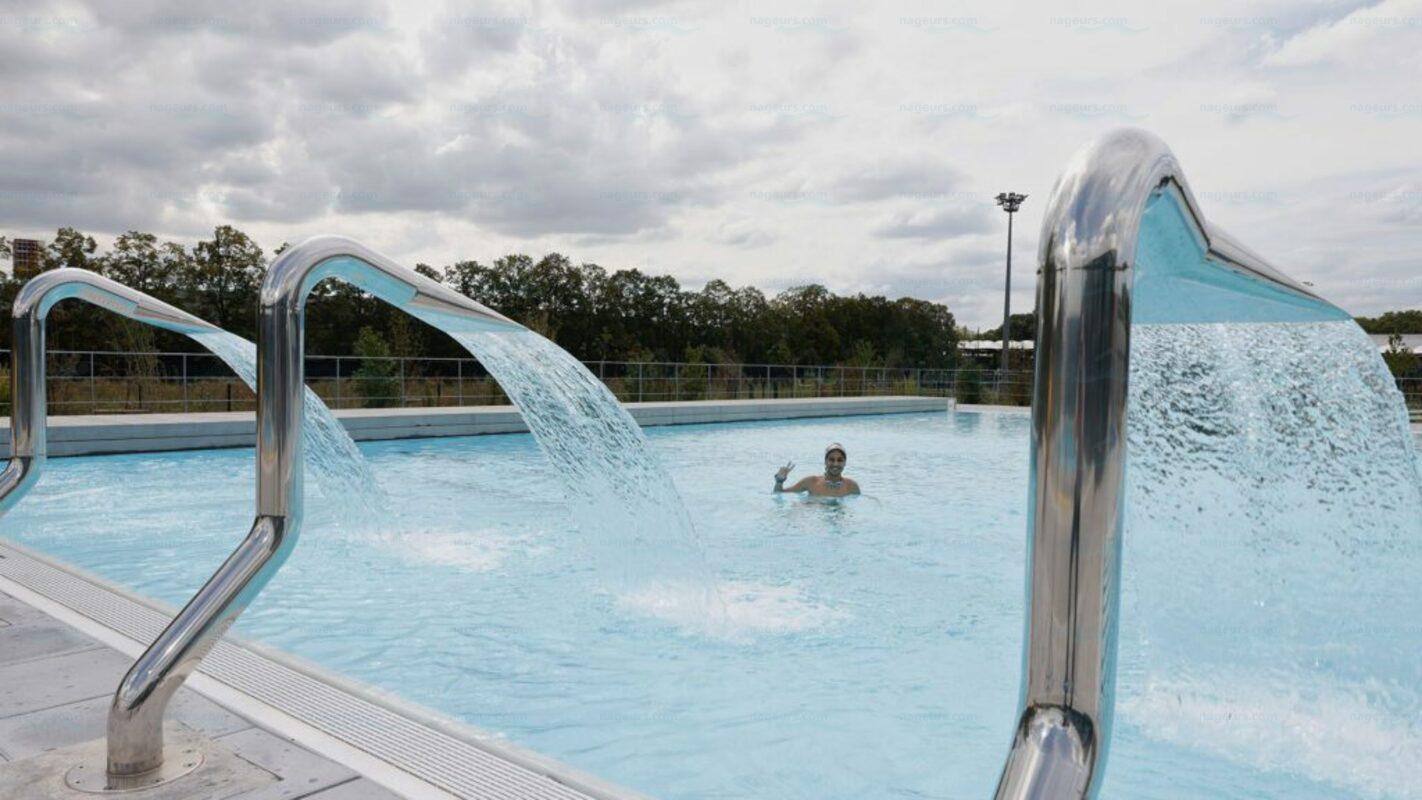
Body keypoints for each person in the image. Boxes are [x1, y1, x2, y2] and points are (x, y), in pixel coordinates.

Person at [773, 443, 860, 497]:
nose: (835, 464)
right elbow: (779, 494)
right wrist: (779, 481)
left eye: (840, 460)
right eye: (831, 460)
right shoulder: (810, 482)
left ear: (844, 463)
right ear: (825, 461)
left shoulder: (852, 486)